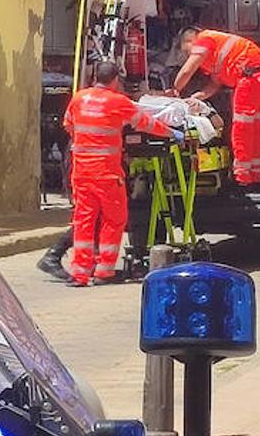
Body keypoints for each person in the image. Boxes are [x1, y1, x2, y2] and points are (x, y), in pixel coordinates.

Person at [63, 61, 181, 286]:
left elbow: (69, 125)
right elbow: (146, 123)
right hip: (107, 174)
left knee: (83, 221)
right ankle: (104, 271)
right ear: (116, 80)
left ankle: (79, 272)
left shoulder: (79, 98)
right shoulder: (119, 102)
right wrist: (171, 133)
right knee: (114, 220)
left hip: (81, 173)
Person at [169, 26, 260, 187]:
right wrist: (197, 97)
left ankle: (242, 176)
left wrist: (175, 90)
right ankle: (255, 172)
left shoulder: (203, 40)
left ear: (189, 40)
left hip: (249, 78)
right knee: (254, 126)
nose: (187, 55)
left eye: (186, 51)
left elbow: (187, 71)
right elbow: (214, 84)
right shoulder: (216, 50)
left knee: (242, 126)